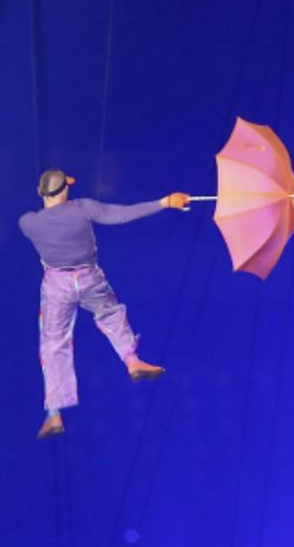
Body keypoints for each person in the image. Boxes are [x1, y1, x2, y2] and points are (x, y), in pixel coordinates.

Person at [18, 169, 191, 438]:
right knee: (110, 312)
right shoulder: (83, 209)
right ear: (65, 189)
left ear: (41, 193)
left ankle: (53, 414)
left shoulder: (28, 223)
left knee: (53, 343)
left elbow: (47, 222)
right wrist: (164, 202)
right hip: (88, 277)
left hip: (57, 285)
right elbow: (120, 214)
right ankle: (132, 361)